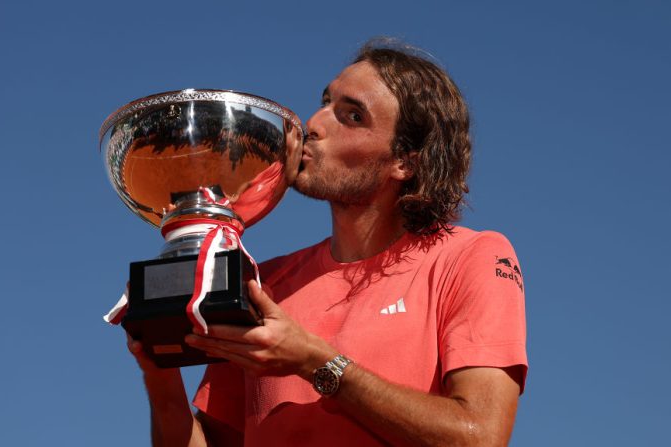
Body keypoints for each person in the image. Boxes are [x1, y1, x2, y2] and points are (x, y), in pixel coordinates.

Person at [128, 39, 528, 446]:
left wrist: (317, 362)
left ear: (405, 161)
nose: (313, 124)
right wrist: (159, 371)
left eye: (352, 116)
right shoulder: (264, 282)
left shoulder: (470, 257)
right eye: (324, 102)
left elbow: (479, 437)